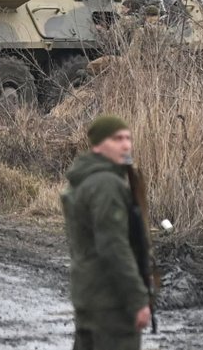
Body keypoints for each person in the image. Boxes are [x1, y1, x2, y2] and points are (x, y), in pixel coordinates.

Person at [61, 115, 151, 350]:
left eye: (128, 138)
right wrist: (137, 299)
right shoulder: (106, 185)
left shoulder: (84, 180)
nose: (126, 145)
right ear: (98, 145)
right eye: (117, 139)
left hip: (89, 296)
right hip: (111, 302)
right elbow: (113, 246)